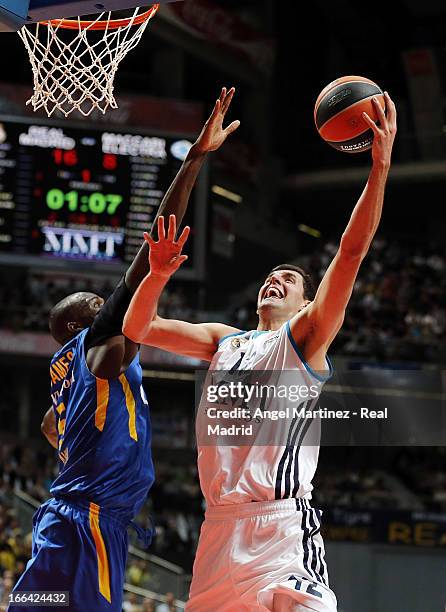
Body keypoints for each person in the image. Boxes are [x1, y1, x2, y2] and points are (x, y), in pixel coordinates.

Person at [122, 94, 396, 611]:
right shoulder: (225, 341)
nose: (276, 279)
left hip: (280, 530)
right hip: (217, 531)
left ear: (308, 303)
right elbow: (139, 326)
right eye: (272, 275)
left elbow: (351, 251)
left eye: (289, 279)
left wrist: (379, 167)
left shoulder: (306, 339)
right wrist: (157, 274)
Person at [8, 88, 239, 612]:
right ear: (81, 323)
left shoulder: (70, 371)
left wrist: (81, 450)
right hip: (92, 521)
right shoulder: (99, 345)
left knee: (37, 606)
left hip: (67, 514)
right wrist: (196, 158)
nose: (107, 301)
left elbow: (51, 425)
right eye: (98, 301)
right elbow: (149, 251)